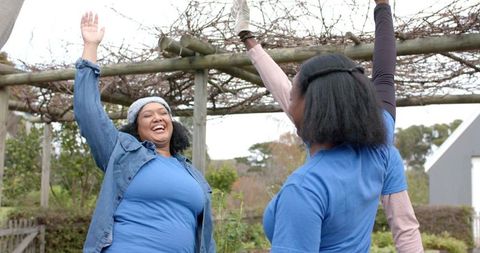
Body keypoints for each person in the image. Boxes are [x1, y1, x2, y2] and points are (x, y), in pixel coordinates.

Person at [231, 0, 424, 252]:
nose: (288, 102)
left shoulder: (305, 188)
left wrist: (248, 38)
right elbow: (406, 232)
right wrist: (382, 7)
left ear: (316, 108)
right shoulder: (383, 151)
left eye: (295, 95)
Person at [74, 12, 215, 253]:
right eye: (147, 115)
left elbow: (206, 239)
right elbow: (89, 112)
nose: (158, 118)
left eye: (163, 113)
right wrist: (90, 48)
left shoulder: (192, 174)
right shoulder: (122, 153)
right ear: (136, 129)